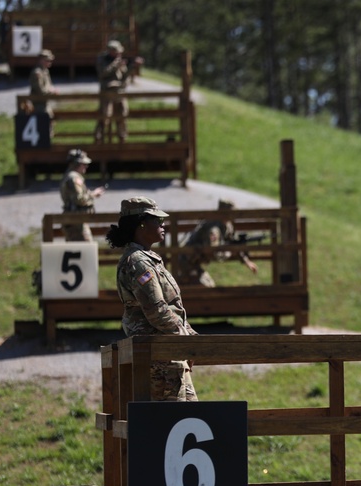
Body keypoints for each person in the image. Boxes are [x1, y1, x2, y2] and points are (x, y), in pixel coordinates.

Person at [105, 197, 199, 402]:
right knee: (167, 427)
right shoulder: (138, 262)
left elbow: (173, 307)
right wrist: (186, 339)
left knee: (191, 421)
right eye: (157, 220)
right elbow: (157, 311)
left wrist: (191, 337)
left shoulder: (147, 258)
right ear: (141, 223)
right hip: (159, 358)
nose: (162, 224)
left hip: (171, 355)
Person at [176, 199, 259, 287]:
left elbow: (233, 244)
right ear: (224, 213)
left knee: (208, 286)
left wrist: (246, 261)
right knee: (205, 288)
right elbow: (212, 252)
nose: (234, 215)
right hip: (186, 261)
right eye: (232, 213)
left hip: (194, 263)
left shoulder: (227, 226)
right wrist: (228, 253)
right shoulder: (214, 229)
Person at [94, 40, 143, 142]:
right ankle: (99, 139)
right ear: (111, 51)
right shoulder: (102, 59)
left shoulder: (118, 59)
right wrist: (116, 64)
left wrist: (133, 66)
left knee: (122, 115)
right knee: (104, 116)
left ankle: (122, 139)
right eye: (117, 51)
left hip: (120, 92)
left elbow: (124, 75)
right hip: (107, 92)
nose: (119, 53)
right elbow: (103, 73)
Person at [59, 149, 105, 241]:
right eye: (84, 164)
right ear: (77, 164)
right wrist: (93, 195)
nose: (86, 166)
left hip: (75, 220)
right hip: (76, 221)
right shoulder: (74, 178)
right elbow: (79, 199)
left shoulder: (69, 176)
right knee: (86, 250)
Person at [29, 49, 58, 115]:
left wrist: (53, 90)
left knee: (50, 120)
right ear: (41, 60)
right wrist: (52, 92)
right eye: (48, 60)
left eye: (50, 60)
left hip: (45, 102)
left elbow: (49, 85)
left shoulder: (45, 71)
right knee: (44, 121)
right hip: (39, 105)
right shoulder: (37, 73)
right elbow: (40, 90)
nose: (50, 62)